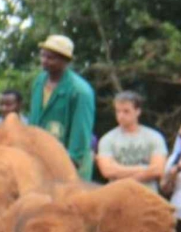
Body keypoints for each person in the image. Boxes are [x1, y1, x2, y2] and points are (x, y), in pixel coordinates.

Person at [28, 34, 96, 180]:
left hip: (67, 167)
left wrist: (67, 166)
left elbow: (81, 135)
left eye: (51, 58)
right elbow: (33, 121)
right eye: (43, 56)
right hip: (39, 162)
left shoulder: (80, 91)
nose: (44, 61)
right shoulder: (39, 82)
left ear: (65, 61)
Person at [97, 91, 168, 192]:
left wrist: (118, 169)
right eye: (118, 111)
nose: (121, 116)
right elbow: (107, 170)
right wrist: (144, 168)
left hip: (147, 194)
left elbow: (158, 169)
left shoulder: (154, 137)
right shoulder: (107, 139)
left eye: (126, 111)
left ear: (138, 111)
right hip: (118, 195)